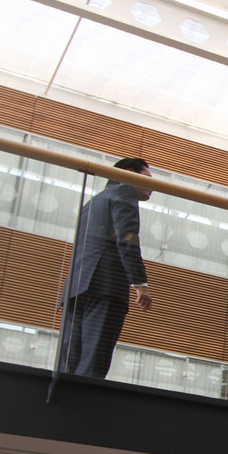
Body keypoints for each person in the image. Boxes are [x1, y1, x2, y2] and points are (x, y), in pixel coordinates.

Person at [62, 157, 154, 378]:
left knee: (69, 364)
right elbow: (127, 238)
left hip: (76, 287)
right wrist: (139, 283)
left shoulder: (92, 202)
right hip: (105, 285)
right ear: (129, 172)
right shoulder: (125, 192)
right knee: (93, 363)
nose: (153, 186)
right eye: (148, 178)